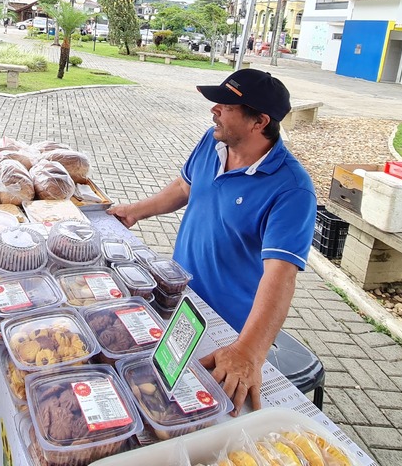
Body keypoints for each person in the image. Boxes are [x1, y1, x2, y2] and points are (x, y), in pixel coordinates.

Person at [107, 68, 316, 415]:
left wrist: (248, 353)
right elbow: (185, 187)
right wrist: (134, 212)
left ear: (259, 121)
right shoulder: (213, 141)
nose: (213, 110)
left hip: (225, 329)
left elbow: (281, 276)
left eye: (225, 105)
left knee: (186, 413)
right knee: (142, 390)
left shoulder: (291, 189)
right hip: (175, 297)